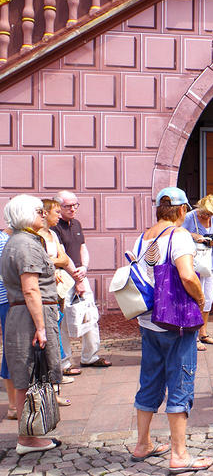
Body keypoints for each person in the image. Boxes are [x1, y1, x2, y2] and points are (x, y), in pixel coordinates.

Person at [129, 187, 213, 473]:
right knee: (180, 381)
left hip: (148, 320)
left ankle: (142, 444)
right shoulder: (179, 236)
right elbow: (188, 275)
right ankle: (179, 455)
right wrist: (201, 299)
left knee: (150, 379)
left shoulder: (143, 237)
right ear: (181, 210)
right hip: (175, 320)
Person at [0, 195, 63, 454]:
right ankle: (27, 439)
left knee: (29, 373)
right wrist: (41, 327)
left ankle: (31, 435)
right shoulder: (25, 244)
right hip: (29, 315)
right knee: (28, 373)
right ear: (27, 214)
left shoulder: (19, 241)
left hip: (25, 314)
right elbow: (30, 290)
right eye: (39, 211)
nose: (43, 214)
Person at [52, 191, 110, 369]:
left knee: (90, 316)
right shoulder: (55, 228)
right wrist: (77, 279)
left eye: (75, 205)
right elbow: (62, 255)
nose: (72, 209)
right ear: (58, 207)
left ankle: (90, 356)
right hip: (64, 278)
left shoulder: (76, 224)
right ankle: (65, 362)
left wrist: (84, 267)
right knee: (63, 322)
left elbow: (83, 247)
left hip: (80, 275)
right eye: (67, 206)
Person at [37, 199, 74, 406]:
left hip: (58, 289)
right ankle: (51, 387)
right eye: (56, 212)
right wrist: (53, 263)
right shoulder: (38, 236)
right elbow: (44, 261)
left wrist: (53, 262)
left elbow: (63, 259)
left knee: (57, 329)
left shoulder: (53, 234)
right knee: (49, 337)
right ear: (46, 213)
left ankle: (56, 376)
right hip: (45, 291)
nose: (59, 215)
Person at [183, 194, 213, 351]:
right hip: (195, 264)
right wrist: (196, 236)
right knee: (196, 298)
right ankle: (192, 337)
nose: (206, 216)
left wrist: (212, 241)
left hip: (212, 263)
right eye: (204, 213)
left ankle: (203, 332)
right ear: (199, 207)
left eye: (209, 214)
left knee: (208, 298)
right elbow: (179, 233)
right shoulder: (189, 217)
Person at [0, 226, 15, 420]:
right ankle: (13, 406)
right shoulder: (4, 241)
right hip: (8, 300)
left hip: (10, 300)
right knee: (12, 350)